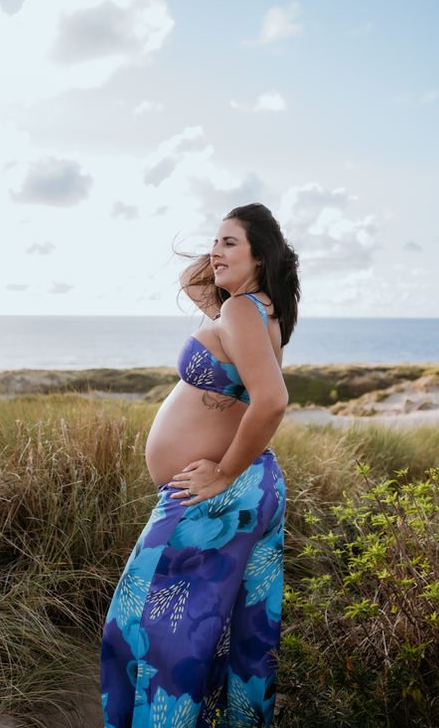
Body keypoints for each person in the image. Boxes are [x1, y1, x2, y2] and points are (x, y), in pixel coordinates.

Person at [100, 203, 300, 727]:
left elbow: (272, 401)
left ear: (261, 255)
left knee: (143, 630)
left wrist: (224, 472)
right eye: (214, 241)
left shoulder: (241, 312)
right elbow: (193, 281)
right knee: (233, 635)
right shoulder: (254, 309)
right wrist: (227, 256)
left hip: (219, 495)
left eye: (229, 242)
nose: (214, 252)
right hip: (246, 490)